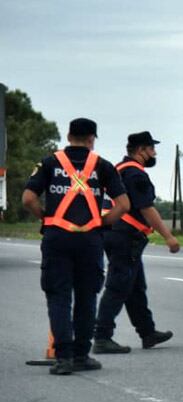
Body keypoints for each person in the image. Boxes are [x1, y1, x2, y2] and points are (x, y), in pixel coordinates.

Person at [21, 118, 130, 375]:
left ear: (68, 136)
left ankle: (63, 358)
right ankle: (82, 355)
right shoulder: (102, 166)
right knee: (86, 296)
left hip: (57, 237)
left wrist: (47, 218)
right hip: (90, 240)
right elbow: (123, 205)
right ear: (92, 139)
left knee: (58, 296)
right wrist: (101, 223)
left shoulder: (49, 163)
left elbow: (28, 199)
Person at [93, 131, 179, 354]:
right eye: (151, 149)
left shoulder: (118, 169)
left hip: (114, 232)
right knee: (118, 285)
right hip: (125, 235)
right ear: (141, 150)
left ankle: (147, 332)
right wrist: (168, 237)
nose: (154, 153)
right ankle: (102, 336)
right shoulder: (135, 174)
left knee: (135, 286)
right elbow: (146, 208)